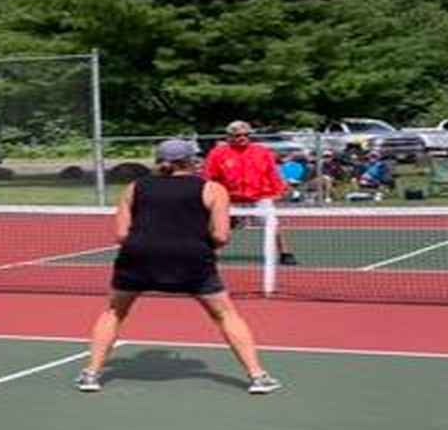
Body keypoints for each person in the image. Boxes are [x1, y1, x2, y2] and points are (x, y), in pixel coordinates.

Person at [75, 139, 281, 395]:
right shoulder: (213, 189)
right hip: (192, 259)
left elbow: (121, 234)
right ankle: (258, 377)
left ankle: (91, 374)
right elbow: (221, 236)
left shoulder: (135, 187)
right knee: (226, 315)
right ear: (191, 161)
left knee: (114, 312)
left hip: (138, 257)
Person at [202, 121, 298, 265]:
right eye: (237, 135)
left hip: (259, 196)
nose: (242, 138)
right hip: (230, 197)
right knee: (220, 226)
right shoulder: (218, 154)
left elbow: (272, 173)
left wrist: (279, 189)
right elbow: (209, 176)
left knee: (272, 224)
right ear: (229, 137)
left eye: (246, 135)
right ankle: (211, 253)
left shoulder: (262, 152)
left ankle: (285, 253)